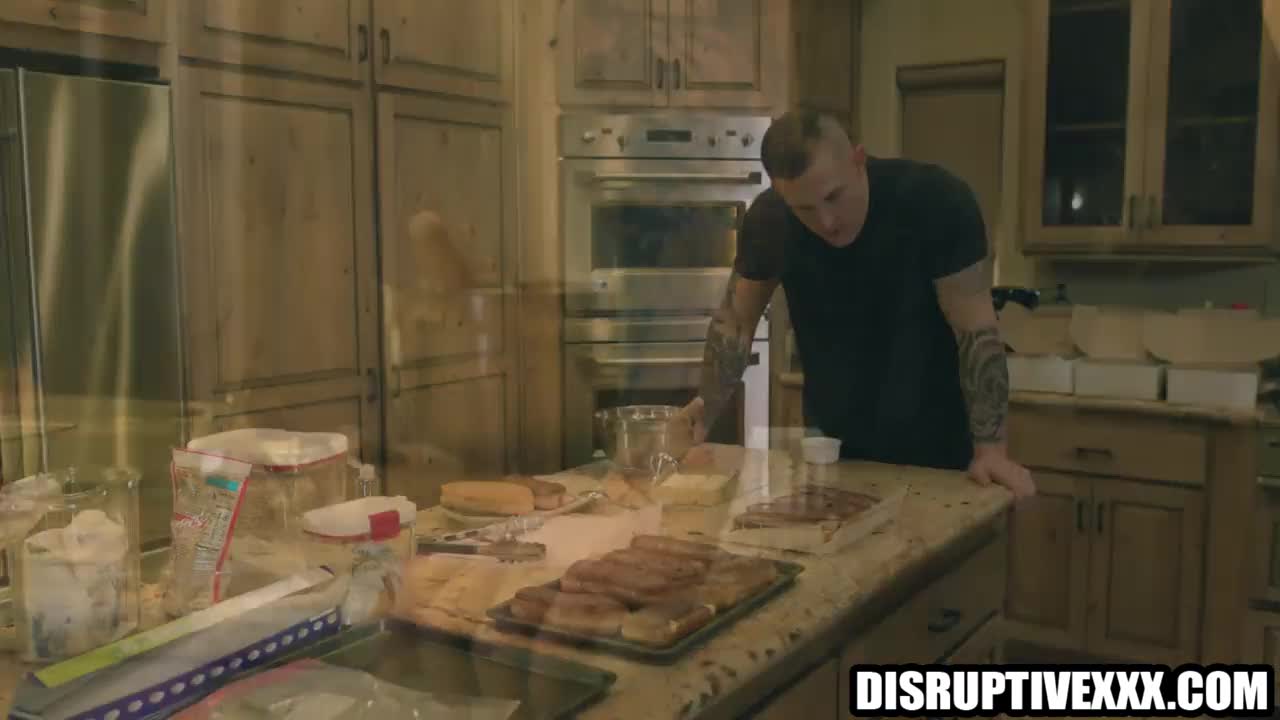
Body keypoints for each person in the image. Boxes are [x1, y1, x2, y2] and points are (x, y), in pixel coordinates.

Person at [683, 110, 1035, 498]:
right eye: (804, 209)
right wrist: (704, 413)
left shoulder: (936, 202)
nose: (826, 221)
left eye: (833, 197)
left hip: (940, 455)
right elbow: (736, 323)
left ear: (858, 159)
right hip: (832, 453)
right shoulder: (770, 221)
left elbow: (977, 333)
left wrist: (991, 451)